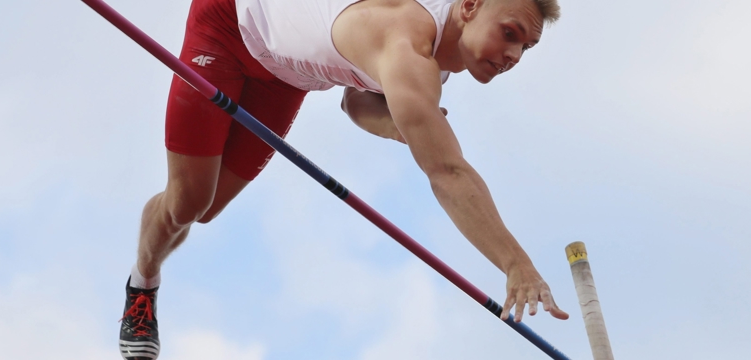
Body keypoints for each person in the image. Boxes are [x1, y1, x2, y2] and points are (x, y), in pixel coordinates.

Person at [118, 0, 569, 358]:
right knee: (188, 202)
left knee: (210, 210)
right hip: (227, 26)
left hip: (286, 77)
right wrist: (515, 264)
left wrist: (395, 124)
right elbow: (447, 172)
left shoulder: (437, 55)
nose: (513, 55)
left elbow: (355, 101)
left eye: (526, 46)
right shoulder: (405, 45)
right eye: (509, 33)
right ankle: (144, 284)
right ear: (469, 5)